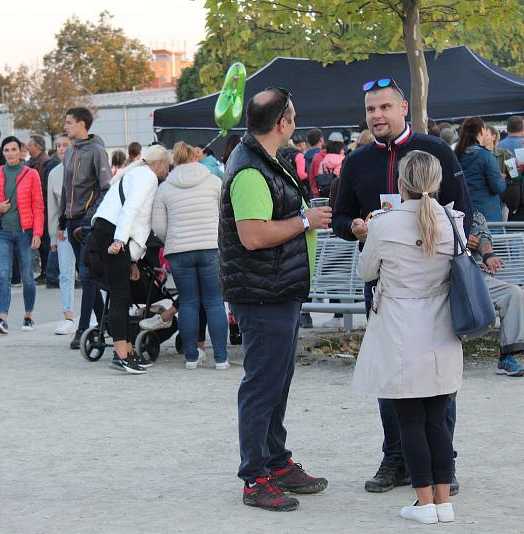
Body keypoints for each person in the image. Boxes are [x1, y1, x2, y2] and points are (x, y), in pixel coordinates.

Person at [333, 77, 470, 495]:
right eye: (371, 110)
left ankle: (441, 462)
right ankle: (396, 458)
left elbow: (462, 209)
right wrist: (354, 228)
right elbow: (340, 219)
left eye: (384, 108)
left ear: (403, 107)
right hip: (384, 291)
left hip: (436, 290)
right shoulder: (356, 162)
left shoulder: (437, 150)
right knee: (391, 377)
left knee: (436, 377)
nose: (377, 116)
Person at [221, 88, 330, 512]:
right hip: (262, 294)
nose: (297, 121)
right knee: (262, 387)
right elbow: (253, 235)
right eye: (294, 114)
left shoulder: (262, 160)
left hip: (276, 290)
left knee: (275, 384)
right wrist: (304, 219)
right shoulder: (250, 169)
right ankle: (255, 477)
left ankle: (276, 462)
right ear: (282, 122)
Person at [354, 150, 462, 525]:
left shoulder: (385, 224)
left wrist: (366, 236)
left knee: (409, 421)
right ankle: (444, 501)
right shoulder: (452, 221)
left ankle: (423, 502)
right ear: (436, 182)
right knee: (437, 419)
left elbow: (366, 272)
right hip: (442, 327)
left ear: (401, 183)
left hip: (400, 327)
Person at [87, 144, 170, 374]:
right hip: (114, 235)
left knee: (119, 295)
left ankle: (127, 351)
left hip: (106, 231)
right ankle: (121, 355)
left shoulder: (135, 173)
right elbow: (132, 210)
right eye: (167, 167)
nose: (167, 172)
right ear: (160, 163)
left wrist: (132, 259)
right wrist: (121, 241)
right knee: (121, 296)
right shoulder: (148, 178)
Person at [148, 141, 229, 369]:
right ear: (196, 157)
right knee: (214, 302)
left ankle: (191, 357)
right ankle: (221, 359)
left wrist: (172, 239)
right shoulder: (214, 181)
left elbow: (159, 226)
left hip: (179, 251)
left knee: (190, 303)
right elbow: (225, 216)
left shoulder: (164, 187)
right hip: (210, 247)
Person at [59, 107, 112, 349]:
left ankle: (83, 329)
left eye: (69, 122)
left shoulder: (97, 151)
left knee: (87, 273)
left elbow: (105, 188)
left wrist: (91, 216)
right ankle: (106, 321)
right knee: (86, 274)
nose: (66, 126)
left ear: (82, 124)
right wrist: (61, 218)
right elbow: (65, 187)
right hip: (71, 219)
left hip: (86, 220)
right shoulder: (70, 151)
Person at [0, 136, 44, 334]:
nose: (10, 153)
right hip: (2, 231)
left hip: (25, 232)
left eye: (13, 149)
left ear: (21, 151)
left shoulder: (31, 174)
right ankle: (3, 319)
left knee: (28, 276)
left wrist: (38, 232)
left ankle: (28, 316)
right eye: (6, 150)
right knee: (3, 276)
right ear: (3, 153)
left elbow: (38, 205)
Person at [466, 210, 524, 376]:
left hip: (476, 276)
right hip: (444, 279)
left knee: (514, 293)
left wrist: (488, 254)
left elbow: (484, 237)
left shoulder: (473, 214)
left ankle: (507, 356)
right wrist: (458, 240)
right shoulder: (432, 212)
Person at [46, 134, 76, 335]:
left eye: (65, 145)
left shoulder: (84, 169)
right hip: (63, 228)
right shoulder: (54, 174)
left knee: (91, 272)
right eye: (58, 146)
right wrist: (52, 235)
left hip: (84, 226)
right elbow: (53, 207)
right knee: (65, 273)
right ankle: (68, 315)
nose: (61, 149)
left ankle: (98, 315)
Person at [455, 117, 506, 222]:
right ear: (482, 131)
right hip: (487, 215)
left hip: (463, 213)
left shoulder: (455, 156)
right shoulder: (486, 156)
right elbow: (498, 187)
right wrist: (502, 179)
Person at [26, 135, 51, 285]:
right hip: (34, 206)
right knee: (41, 243)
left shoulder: (45, 162)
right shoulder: (32, 162)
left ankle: (47, 271)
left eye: (30, 145)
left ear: (37, 146)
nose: (27, 147)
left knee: (45, 241)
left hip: (43, 206)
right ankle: (44, 271)